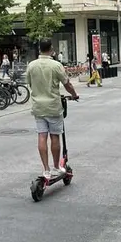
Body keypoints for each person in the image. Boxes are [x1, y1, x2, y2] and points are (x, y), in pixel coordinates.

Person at [26, 38, 79, 180]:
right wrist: (74, 95)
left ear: (39, 49)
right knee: (54, 136)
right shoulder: (56, 65)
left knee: (42, 136)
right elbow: (67, 84)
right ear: (51, 49)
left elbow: (29, 83)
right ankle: (56, 167)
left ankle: (46, 170)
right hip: (53, 106)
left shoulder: (31, 65)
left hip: (38, 106)